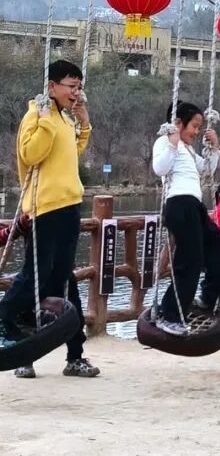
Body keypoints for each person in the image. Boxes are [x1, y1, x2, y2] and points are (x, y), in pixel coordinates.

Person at [0, 60, 99, 378]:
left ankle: (73, 354)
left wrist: (84, 123)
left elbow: (71, 151)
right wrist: (44, 122)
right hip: (44, 208)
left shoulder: (64, 117)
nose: (76, 92)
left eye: (79, 87)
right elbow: (31, 155)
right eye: (71, 86)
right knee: (35, 278)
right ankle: (7, 324)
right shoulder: (37, 114)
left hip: (69, 206)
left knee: (64, 282)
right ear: (52, 86)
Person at [150, 102, 220, 336]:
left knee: (218, 243)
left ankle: (208, 297)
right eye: (194, 126)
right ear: (178, 124)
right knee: (190, 260)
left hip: (194, 205)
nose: (196, 131)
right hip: (179, 204)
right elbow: (160, 168)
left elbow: (206, 170)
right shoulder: (165, 142)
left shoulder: (188, 149)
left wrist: (214, 148)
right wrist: (172, 142)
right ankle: (170, 314)